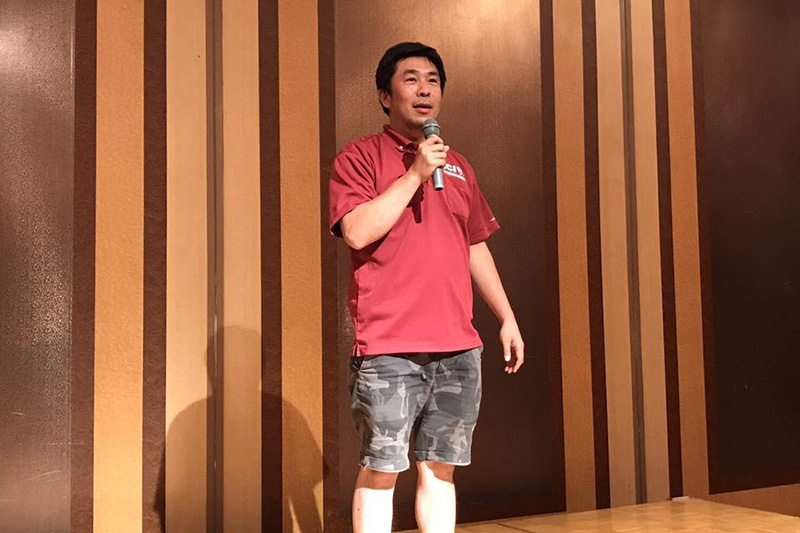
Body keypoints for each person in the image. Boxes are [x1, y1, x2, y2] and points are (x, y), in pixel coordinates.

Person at [328, 42, 524, 533]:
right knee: (382, 468)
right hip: (389, 346)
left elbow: (473, 244)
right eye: (411, 79)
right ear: (385, 95)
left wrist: (506, 316)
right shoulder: (359, 157)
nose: (424, 89)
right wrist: (416, 173)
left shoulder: (458, 166)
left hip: (458, 346)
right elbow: (357, 232)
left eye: (433, 80)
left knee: (441, 468)